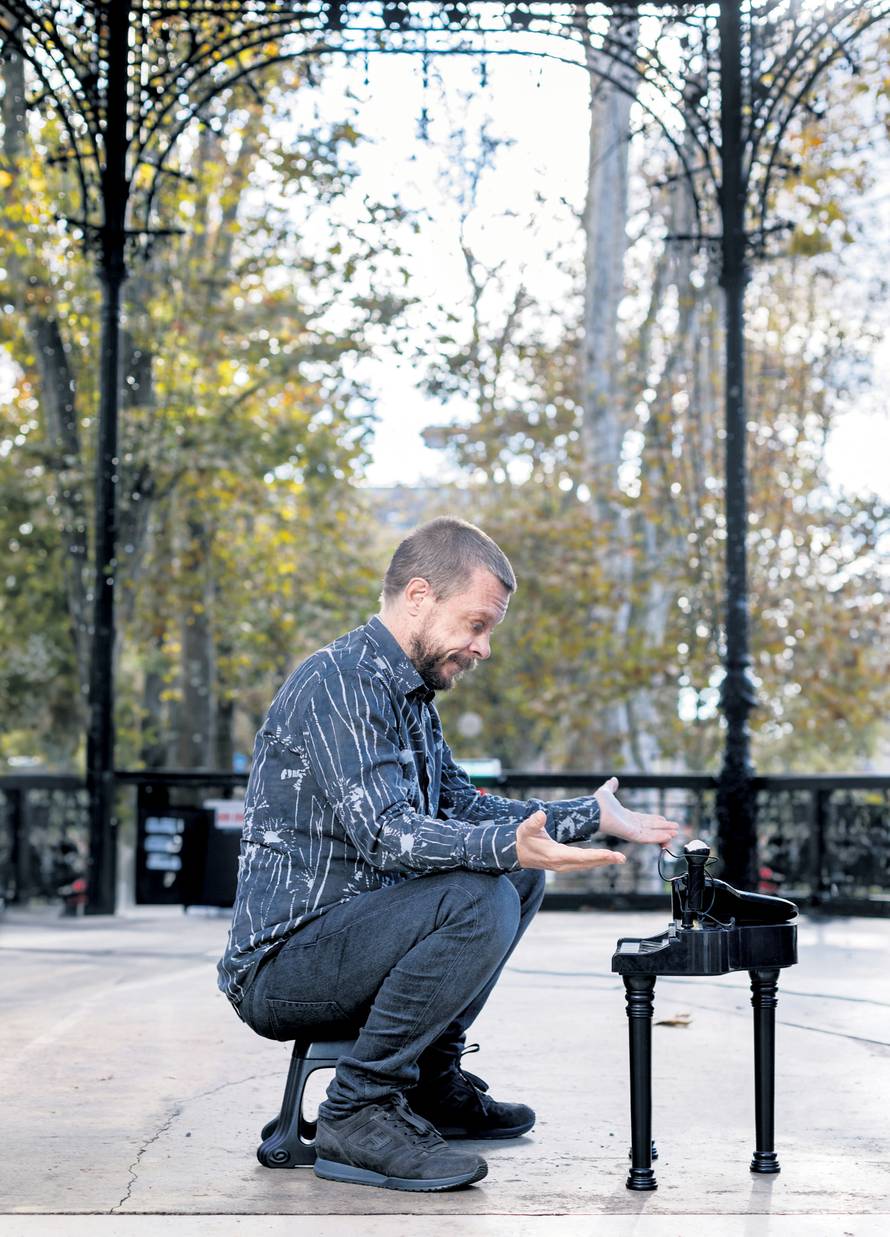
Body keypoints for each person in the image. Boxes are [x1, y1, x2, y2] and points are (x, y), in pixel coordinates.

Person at [218, 516, 679, 1193]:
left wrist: (595, 815)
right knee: (484, 888)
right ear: (418, 596)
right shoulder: (339, 682)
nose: (484, 646)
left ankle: (430, 1081)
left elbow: (468, 808)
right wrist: (505, 850)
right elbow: (388, 833)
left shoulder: (408, 698)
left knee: (514, 879)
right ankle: (360, 1106)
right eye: (476, 624)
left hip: (349, 939)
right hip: (283, 965)